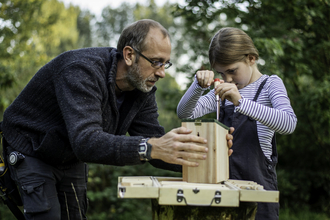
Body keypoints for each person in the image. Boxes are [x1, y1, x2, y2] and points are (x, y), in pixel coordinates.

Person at [1, 19, 234, 219]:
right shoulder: (81, 71)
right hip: (32, 148)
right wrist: (149, 147)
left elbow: (155, 143)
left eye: (166, 63)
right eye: (156, 62)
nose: (162, 72)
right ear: (129, 55)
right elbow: (87, 141)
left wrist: (204, 155)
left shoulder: (141, 89)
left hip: (69, 154)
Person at [177, 27, 297, 220]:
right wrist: (197, 86)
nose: (228, 79)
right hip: (223, 195)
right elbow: (185, 113)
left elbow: (289, 123)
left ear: (251, 58)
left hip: (260, 197)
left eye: (232, 71)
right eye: (222, 73)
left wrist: (240, 101)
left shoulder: (270, 85)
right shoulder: (222, 92)